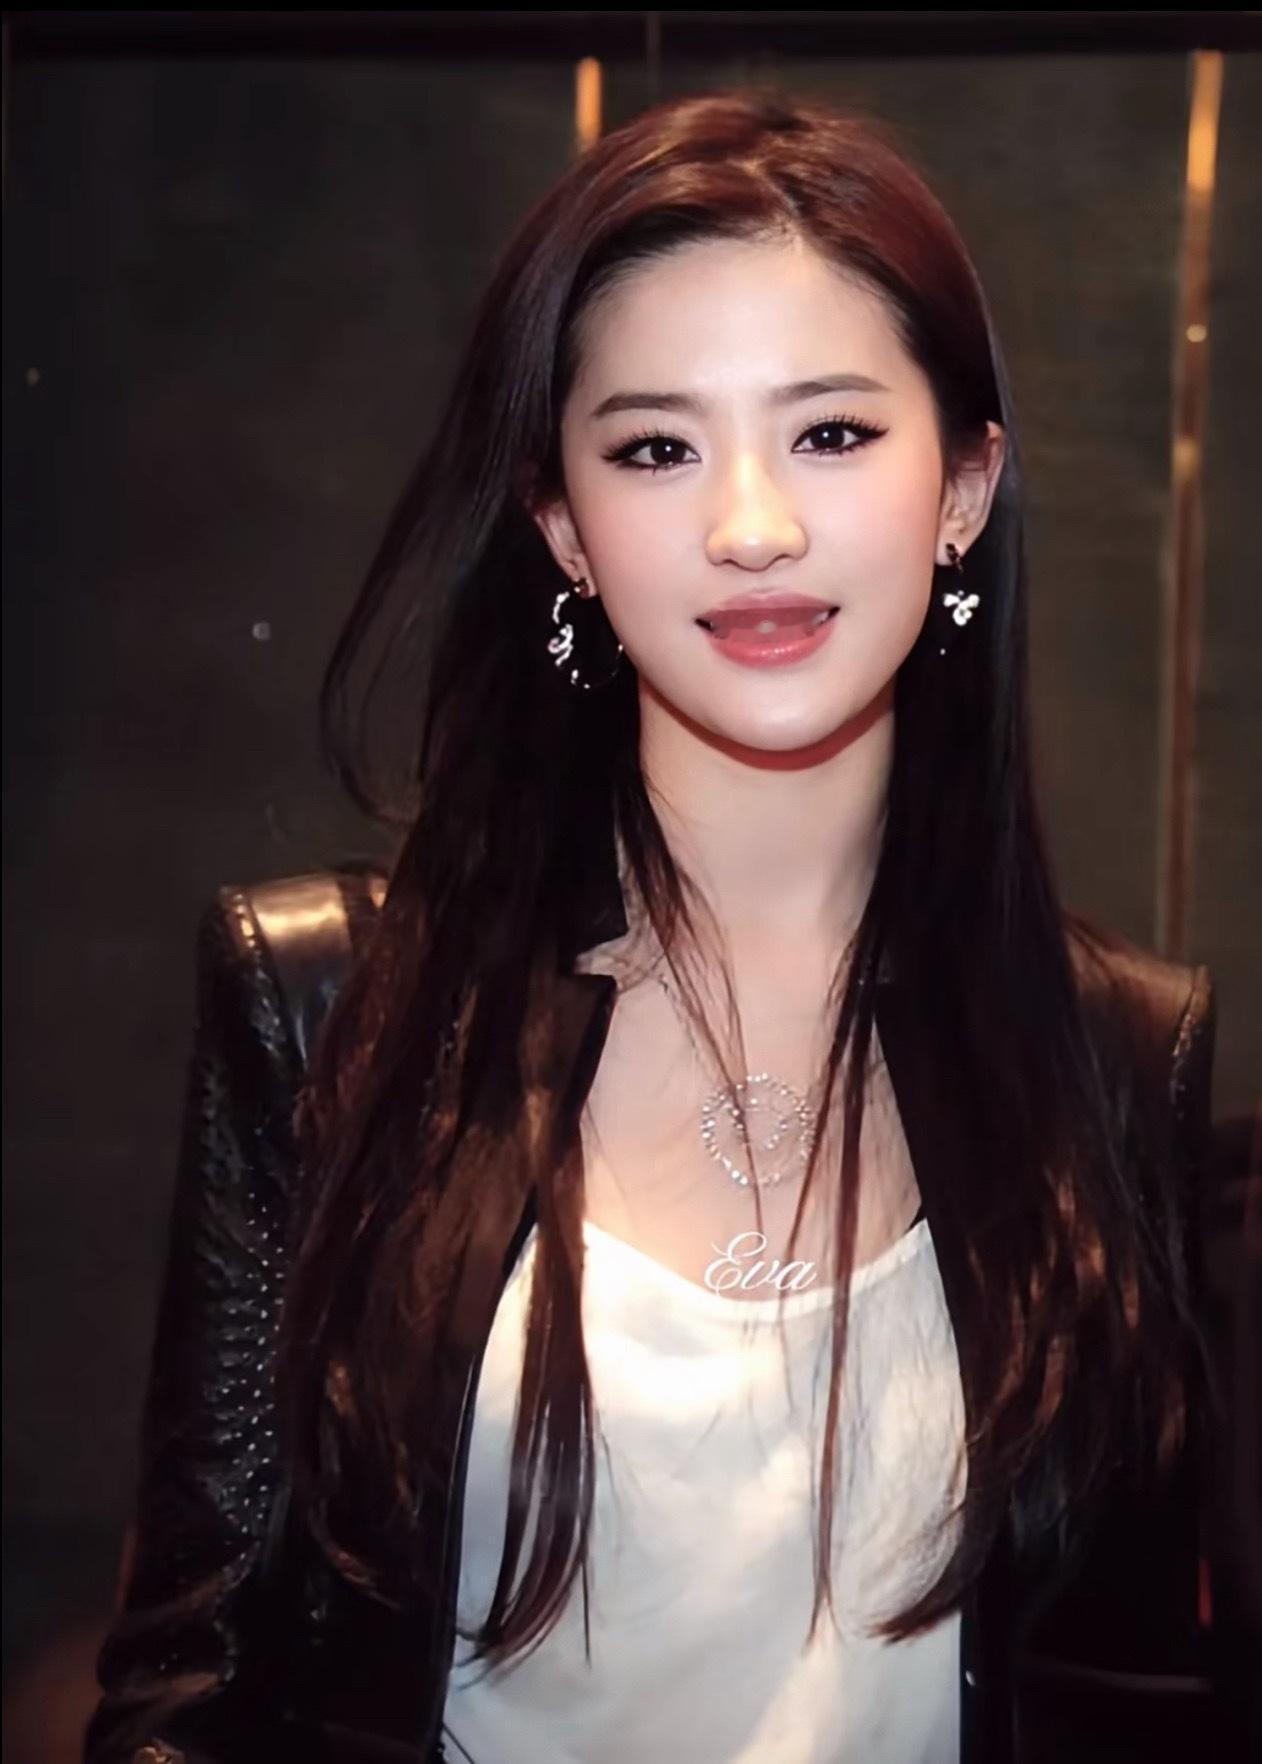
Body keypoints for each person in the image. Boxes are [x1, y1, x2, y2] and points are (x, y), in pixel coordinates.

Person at [85, 87, 1220, 1764]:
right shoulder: (329, 1007)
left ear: (964, 485)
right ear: (562, 525)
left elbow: (1139, 1693)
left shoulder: (1116, 1052)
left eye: (830, 434)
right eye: (653, 448)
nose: (750, 525)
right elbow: (193, 1681)